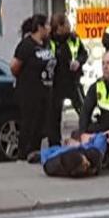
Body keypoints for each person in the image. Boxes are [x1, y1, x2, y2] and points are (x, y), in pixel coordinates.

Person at [11, 15, 56, 162]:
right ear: (40, 27)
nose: (49, 28)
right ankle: (24, 152)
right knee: (29, 122)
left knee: (41, 123)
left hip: (45, 90)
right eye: (47, 25)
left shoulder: (47, 44)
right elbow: (14, 66)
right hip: (29, 92)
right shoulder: (26, 45)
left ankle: (35, 151)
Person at [48, 13, 88, 146]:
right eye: (66, 24)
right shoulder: (50, 41)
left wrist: (78, 62)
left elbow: (83, 53)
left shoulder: (74, 39)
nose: (69, 26)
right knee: (54, 115)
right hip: (56, 82)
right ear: (59, 27)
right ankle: (54, 142)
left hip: (73, 81)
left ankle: (87, 135)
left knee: (83, 110)